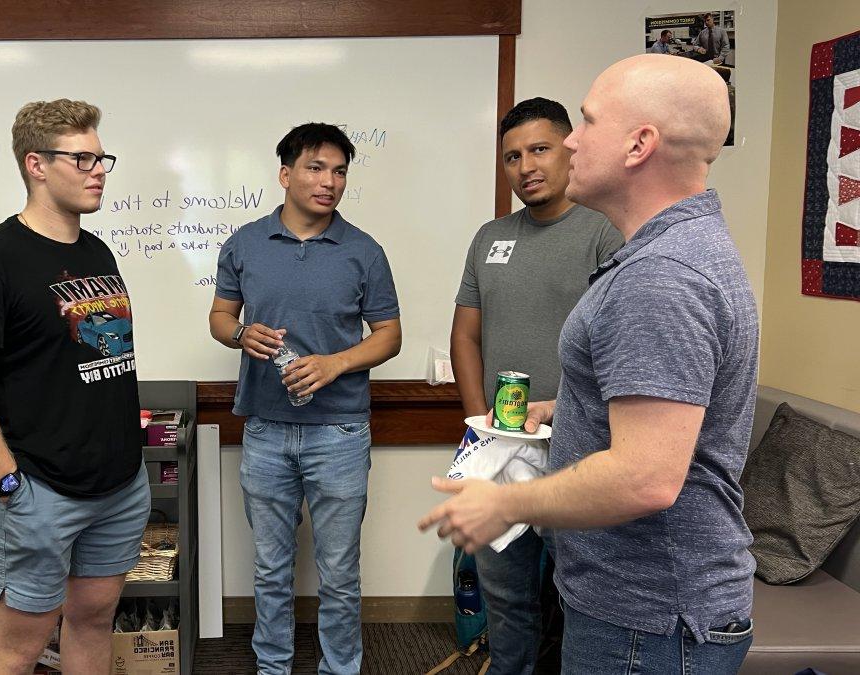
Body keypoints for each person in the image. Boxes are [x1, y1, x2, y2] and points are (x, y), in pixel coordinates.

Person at [421, 54, 758, 674]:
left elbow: (644, 478)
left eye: (587, 121)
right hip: (644, 609)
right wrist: (560, 406)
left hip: (649, 621)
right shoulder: (670, 252)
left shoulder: (660, 277)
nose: (574, 141)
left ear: (639, 144)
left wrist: (504, 506)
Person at [0, 98, 148, 674]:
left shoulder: (95, 251)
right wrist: (8, 488)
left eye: (102, 159)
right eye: (82, 159)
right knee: (17, 648)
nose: (99, 170)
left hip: (118, 484)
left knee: (93, 620)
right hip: (37, 491)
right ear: (36, 164)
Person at [208, 123, 401, 674]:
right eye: (317, 168)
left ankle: (340, 668)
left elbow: (389, 334)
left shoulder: (364, 250)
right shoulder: (244, 243)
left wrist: (334, 364)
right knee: (271, 568)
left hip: (339, 431)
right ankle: (274, 667)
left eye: (340, 171)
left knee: (339, 572)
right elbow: (221, 318)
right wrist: (240, 333)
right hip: (266, 429)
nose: (330, 182)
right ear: (286, 173)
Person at [450, 97, 621, 675]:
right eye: (512, 156)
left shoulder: (607, 233)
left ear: (571, 148)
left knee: (580, 600)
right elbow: (466, 339)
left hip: (579, 451)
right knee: (505, 596)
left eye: (540, 149)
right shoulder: (489, 237)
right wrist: (485, 430)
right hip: (501, 449)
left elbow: (618, 351)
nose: (526, 166)